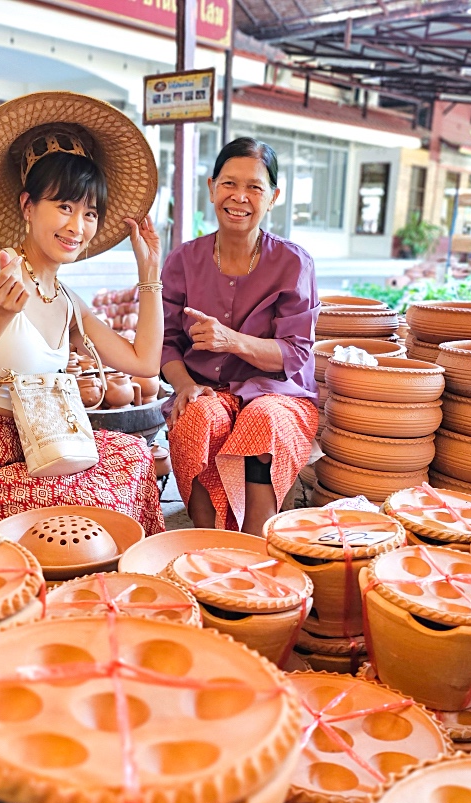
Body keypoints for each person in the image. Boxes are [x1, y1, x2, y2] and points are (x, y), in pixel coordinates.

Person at [0, 92, 165, 534]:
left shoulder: (66, 299)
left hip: (37, 447)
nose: (76, 227)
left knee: (136, 457)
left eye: (89, 213)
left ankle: (106, 592)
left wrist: (149, 273)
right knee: (89, 508)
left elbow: (144, 362)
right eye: (63, 206)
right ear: (28, 206)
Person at [162, 138, 319, 535]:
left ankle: (252, 545)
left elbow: (294, 356)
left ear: (274, 197)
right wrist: (184, 387)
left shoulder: (293, 262)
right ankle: (207, 541)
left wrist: (230, 340)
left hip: (277, 395)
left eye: (255, 187)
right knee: (197, 415)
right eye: (229, 184)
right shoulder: (183, 260)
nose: (240, 197)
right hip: (208, 390)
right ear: (212, 187)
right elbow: (166, 342)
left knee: (262, 420)